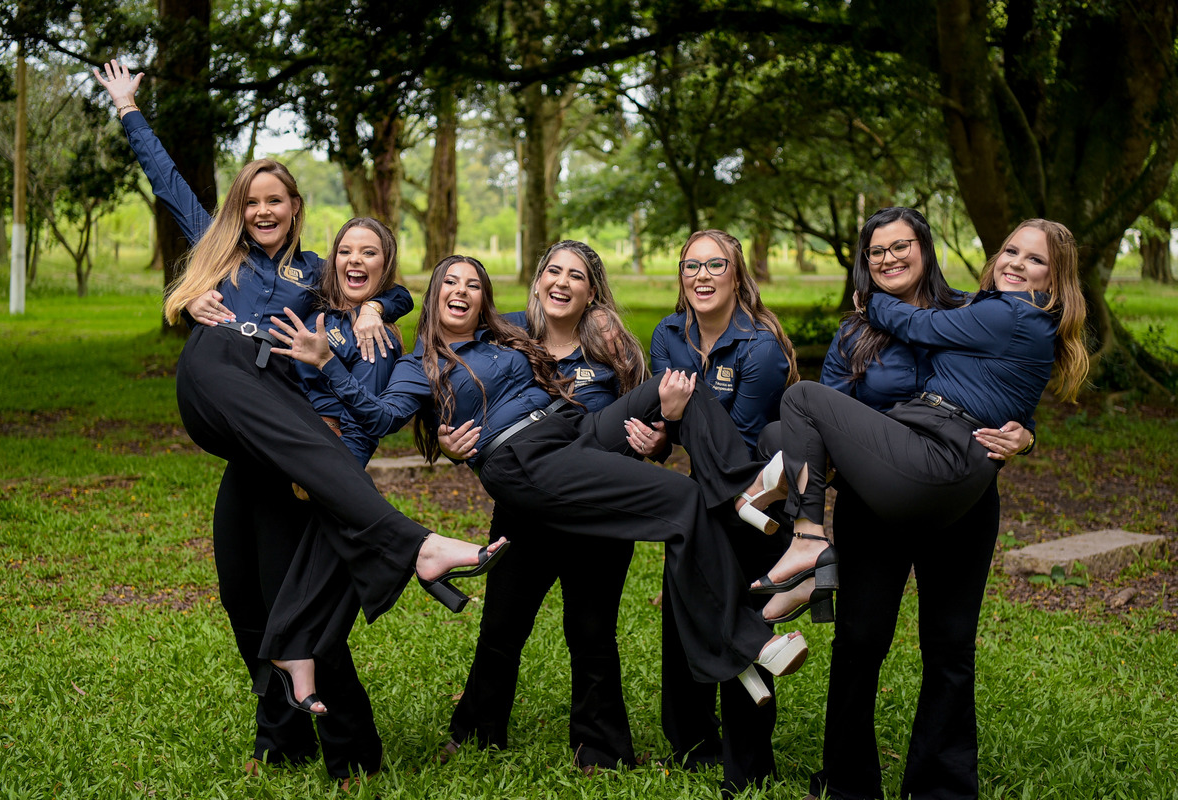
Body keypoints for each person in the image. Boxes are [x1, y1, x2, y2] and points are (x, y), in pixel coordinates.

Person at [94, 61, 506, 778]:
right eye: (251, 201)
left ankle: (327, 750)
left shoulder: (315, 274)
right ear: (239, 208)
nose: (262, 211)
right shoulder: (217, 250)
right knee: (242, 592)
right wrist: (129, 108)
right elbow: (168, 181)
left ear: (294, 209)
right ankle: (410, 549)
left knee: (265, 603)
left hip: (280, 438)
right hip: (229, 408)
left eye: (275, 201)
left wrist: (376, 307)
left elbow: (387, 285)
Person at [262, 254, 809, 707]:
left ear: (484, 299)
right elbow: (380, 418)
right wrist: (330, 362)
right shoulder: (419, 364)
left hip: (574, 429)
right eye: (450, 282)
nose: (461, 291)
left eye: (472, 284)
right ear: (435, 297)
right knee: (683, 500)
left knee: (678, 383)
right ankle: (745, 641)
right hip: (521, 458)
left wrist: (606, 329)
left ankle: (741, 487)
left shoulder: (504, 336)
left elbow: (569, 316)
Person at [756, 208, 1033, 799]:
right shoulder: (855, 333)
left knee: (950, 645)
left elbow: (1010, 390)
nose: (888, 259)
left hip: (960, 501)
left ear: (925, 249)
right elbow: (824, 422)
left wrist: (1026, 436)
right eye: (876, 251)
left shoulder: (972, 311)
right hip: (875, 503)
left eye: (900, 246)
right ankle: (848, 783)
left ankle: (942, 786)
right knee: (861, 641)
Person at [436, 241, 649, 773]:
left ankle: (600, 748)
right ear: (537, 281)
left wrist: (655, 440)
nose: (561, 282)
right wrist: (449, 442)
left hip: (597, 516)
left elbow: (646, 427)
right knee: (501, 627)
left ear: (591, 293)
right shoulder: (503, 335)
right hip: (524, 513)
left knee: (592, 632)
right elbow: (446, 348)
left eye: (576, 276)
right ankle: (476, 732)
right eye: (553, 271)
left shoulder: (612, 350)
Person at [637, 230, 799, 796]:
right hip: (708, 497)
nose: (701, 276)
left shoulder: (761, 346)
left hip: (758, 498)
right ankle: (692, 746)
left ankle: (749, 765)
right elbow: (667, 424)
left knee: (739, 600)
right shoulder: (667, 333)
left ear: (736, 275)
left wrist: (675, 416)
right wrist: (657, 435)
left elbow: (744, 443)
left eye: (715, 265)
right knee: (682, 620)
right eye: (691, 266)